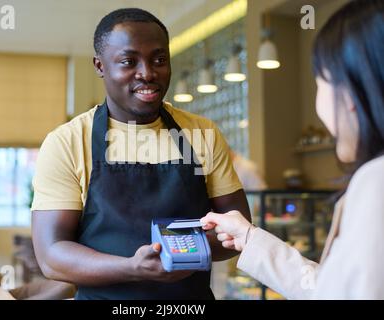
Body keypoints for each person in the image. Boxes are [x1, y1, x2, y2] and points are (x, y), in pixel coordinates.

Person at [31, 8, 251, 300]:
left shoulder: (202, 135)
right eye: (128, 61)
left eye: (159, 60)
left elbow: (236, 231)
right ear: (100, 66)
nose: (147, 73)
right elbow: (51, 254)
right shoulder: (67, 142)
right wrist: (132, 267)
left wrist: (179, 252)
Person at [201, 0, 384, 299]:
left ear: (350, 93)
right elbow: (327, 288)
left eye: (320, 83)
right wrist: (248, 237)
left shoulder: (376, 181)